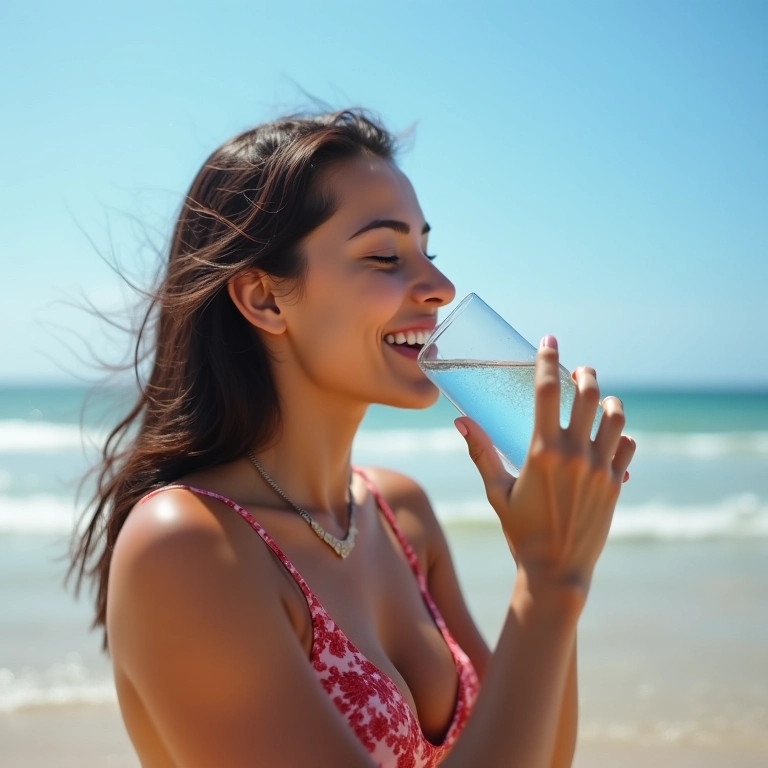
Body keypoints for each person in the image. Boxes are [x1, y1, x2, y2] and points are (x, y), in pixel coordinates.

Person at [70, 109, 635, 768]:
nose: (441, 288)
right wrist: (548, 580)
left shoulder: (401, 513)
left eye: (428, 251)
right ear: (264, 299)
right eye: (384, 256)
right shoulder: (188, 546)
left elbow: (542, 757)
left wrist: (560, 567)